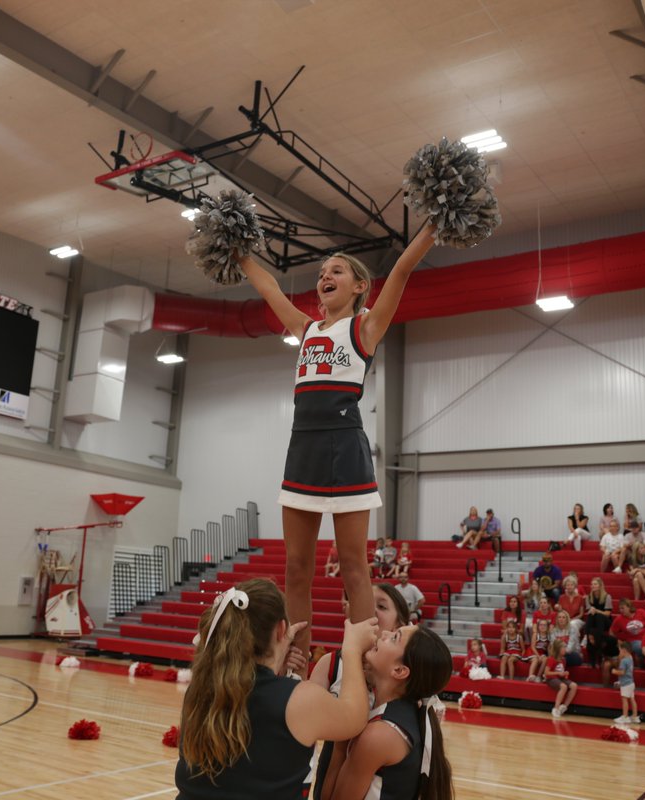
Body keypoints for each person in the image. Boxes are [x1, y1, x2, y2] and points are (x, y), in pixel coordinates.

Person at [240, 230, 436, 660]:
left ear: (360, 286)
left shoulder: (365, 327)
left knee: (353, 567)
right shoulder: (305, 328)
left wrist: (432, 228)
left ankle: (363, 664)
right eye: (322, 272)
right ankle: (296, 661)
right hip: (303, 450)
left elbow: (401, 270)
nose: (324, 276)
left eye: (337, 271)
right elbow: (269, 287)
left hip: (346, 449)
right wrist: (238, 255)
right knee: (296, 569)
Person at [175, 580, 379, 798]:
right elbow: (354, 717)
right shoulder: (300, 699)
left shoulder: (201, 689)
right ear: (282, 629)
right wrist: (352, 649)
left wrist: (277, 657)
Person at [324, 625, 455, 800]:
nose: (384, 633)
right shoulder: (400, 715)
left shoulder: (381, 734)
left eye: (394, 638)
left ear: (399, 671)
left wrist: (351, 652)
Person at [306, 584, 409, 800]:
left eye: (381, 606)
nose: (369, 610)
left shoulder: (405, 680)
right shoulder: (331, 663)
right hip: (331, 773)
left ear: (399, 625)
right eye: (364, 601)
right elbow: (305, 724)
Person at [545, 639, 579, 717]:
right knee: (563, 687)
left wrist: (565, 673)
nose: (565, 649)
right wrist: (558, 673)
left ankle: (564, 707)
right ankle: (556, 708)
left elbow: (561, 671)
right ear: (558, 649)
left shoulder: (563, 659)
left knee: (574, 686)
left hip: (560, 678)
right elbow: (546, 673)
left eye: (565, 647)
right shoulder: (551, 659)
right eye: (563, 647)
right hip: (551, 679)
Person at [583, 577, 615, 653]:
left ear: (600, 586)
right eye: (592, 584)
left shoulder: (607, 596)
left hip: (605, 622)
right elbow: (588, 611)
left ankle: (598, 638)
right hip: (594, 621)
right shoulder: (588, 597)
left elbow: (607, 614)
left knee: (599, 616)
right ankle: (586, 636)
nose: (593, 586)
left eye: (595, 584)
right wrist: (592, 611)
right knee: (591, 615)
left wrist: (596, 611)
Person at [612, 640, 640, 724]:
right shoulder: (630, 657)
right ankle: (635, 716)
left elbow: (622, 672)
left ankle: (625, 716)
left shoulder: (624, 661)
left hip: (625, 683)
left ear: (624, 650)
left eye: (620, 650)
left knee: (624, 700)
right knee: (632, 699)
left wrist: (614, 671)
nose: (619, 652)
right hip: (631, 682)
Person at [525, 618, 551, 682]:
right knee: (535, 659)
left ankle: (538, 676)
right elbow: (532, 647)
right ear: (538, 626)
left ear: (547, 627)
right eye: (541, 625)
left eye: (544, 625)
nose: (542, 626)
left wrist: (550, 656)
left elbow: (548, 648)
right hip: (532, 651)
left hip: (541, 652)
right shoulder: (535, 634)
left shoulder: (548, 636)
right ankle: (530, 676)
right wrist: (538, 656)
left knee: (545, 659)